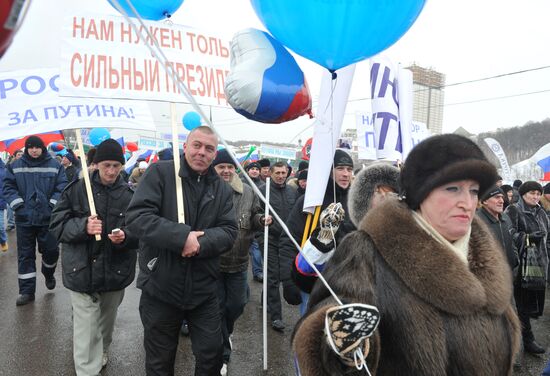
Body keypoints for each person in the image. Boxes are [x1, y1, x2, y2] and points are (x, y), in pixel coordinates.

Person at [293, 134, 520, 375]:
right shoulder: (366, 249)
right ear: (421, 193)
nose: (467, 202)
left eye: (474, 191)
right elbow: (322, 330)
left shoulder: (486, 253)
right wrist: (339, 341)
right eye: (453, 189)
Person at [125, 126, 238, 375]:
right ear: (185, 146)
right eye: (196, 145)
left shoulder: (222, 189)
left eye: (209, 148)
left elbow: (229, 231)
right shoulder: (160, 173)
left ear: (215, 153)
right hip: (161, 286)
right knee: (159, 361)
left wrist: (199, 243)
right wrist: (180, 238)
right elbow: (137, 217)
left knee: (211, 355)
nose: (201, 152)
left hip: (204, 289)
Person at [49, 138, 138, 375]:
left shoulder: (131, 196)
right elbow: (57, 226)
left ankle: (102, 349)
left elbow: (142, 230)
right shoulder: (76, 190)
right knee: (86, 329)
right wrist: (83, 227)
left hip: (115, 272)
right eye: (106, 165)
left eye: (116, 166)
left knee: (104, 327)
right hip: (81, 270)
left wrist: (126, 237)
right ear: (96, 164)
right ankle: (88, 369)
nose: (111, 171)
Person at [291, 163, 399, 301]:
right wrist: (323, 239)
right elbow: (305, 278)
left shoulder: (408, 236)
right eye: (377, 192)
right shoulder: (350, 235)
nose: (384, 198)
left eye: (391, 193)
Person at [212, 149, 270, 375]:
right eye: (221, 167)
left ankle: (227, 329)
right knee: (216, 309)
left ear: (235, 169)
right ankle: (223, 357)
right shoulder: (207, 190)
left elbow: (254, 216)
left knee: (236, 304)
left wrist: (261, 220)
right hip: (213, 263)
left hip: (238, 262)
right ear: (214, 169)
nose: (226, 171)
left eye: (229, 167)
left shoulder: (248, 191)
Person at [280, 150, 357, 315]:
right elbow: (290, 240)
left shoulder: (357, 203)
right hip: (313, 283)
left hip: (347, 287)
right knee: (311, 336)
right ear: (329, 171)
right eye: (340, 168)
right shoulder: (310, 201)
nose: (346, 174)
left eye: (349, 169)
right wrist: (288, 281)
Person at [3, 136, 67, 306]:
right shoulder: (15, 165)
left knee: (52, 251)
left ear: (42, 148)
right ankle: (26, 291)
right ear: (26, 149)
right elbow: (7, 187)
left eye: (37, 147)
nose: (34, 150)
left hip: (48, 219)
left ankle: (48, 272)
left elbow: (62, 186)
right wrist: (18, 206)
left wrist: (52, 205)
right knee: (25, 256)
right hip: (24, 220)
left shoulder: (55, 165)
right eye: (30, 147)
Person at [505, 181, 550, 355]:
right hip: (522, 265)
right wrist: (529, 238)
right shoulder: (513, 210)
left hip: (540, 264)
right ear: (523, 194)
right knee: (523, 304)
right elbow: (510, 236)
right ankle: (527, 340)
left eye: (538, 194)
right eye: (532, 193)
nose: (536, 197)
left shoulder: (541, 212)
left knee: (533, 302)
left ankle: (525, 338)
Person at [259, 161, 296, 331]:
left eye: (283, 173)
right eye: (277, 173)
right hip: (269, 238)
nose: (281, 176)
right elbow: (256, 213)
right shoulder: (262, 190)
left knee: (282, 274)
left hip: (286, 241)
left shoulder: (292, 192)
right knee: (273, 276)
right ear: (270, 174)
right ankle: (276, 317)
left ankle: (264, 298)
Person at [476, 186, 518, 273]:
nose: (502, 201)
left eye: (502, 197)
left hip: (508, 274)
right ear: (485, 201)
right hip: (490, 277)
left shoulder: (506, 218)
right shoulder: (477, 222)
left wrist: (515, 260)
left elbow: (511, 242)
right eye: (497, 197)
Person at [0, 157, 8, 252]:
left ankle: (3, 241)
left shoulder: (3, 170)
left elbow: (6, 186)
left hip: (0, 202)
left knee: (0, 227)